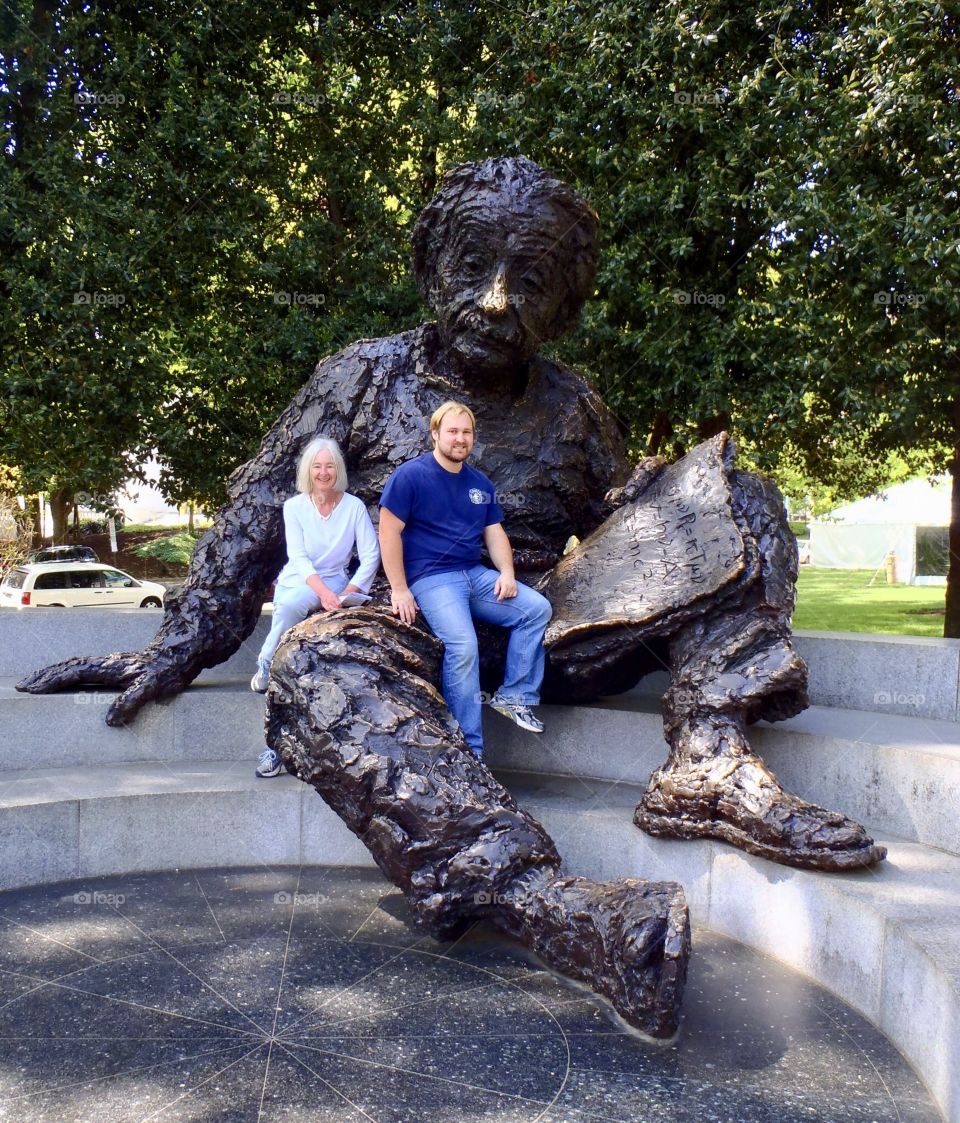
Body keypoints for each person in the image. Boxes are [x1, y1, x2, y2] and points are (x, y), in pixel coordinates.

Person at [378, 401, 552, 759]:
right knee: (463, 646)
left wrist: (506, 572)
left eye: (466, 432)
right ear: (435, 433)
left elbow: (495, 533)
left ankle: (514, 697)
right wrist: (399, 588)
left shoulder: (480, 483)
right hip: (432, 578)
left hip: (474, 575)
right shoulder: (410, 476)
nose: (460, 438)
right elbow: (388, 532)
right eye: (453, 431)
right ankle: (470, 751)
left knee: (536, 609)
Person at [251, 435, 379, 776]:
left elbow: (370, 556)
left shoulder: (353, 507)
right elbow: (300, 558)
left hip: (340, 581)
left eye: (329, 466)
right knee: (294, 603)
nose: (323, 472)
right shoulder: (294, 507)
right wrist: (323, 594)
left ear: (338, 470)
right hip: (302, 578)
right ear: (308, 471)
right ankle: (266, 660)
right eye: (317, 466)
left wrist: (347, 591)